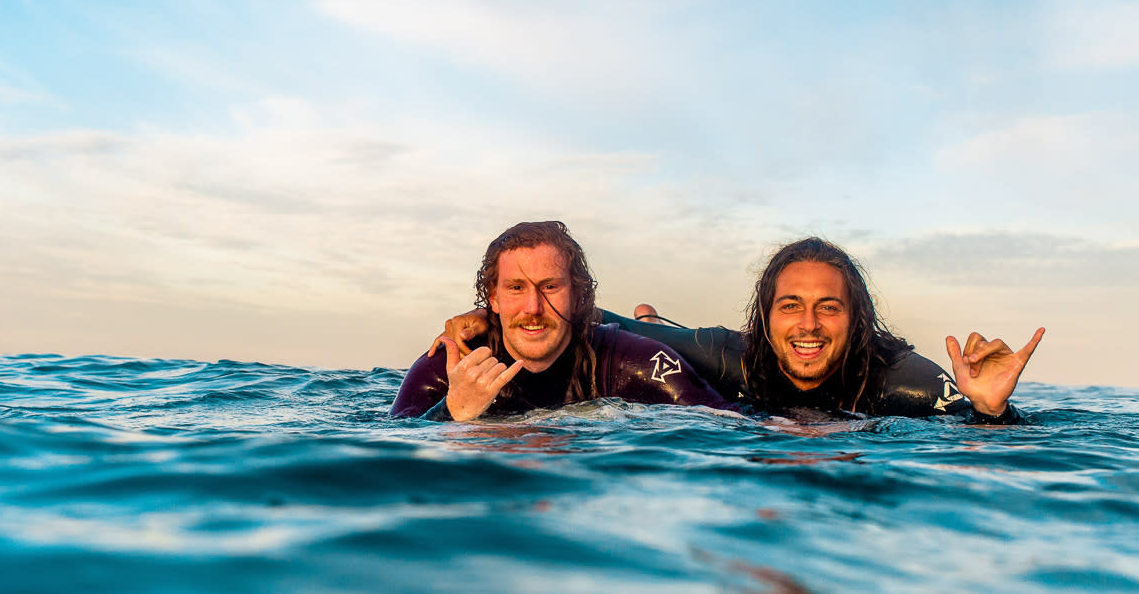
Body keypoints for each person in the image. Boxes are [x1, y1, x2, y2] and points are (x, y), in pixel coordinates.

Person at [438, 237, 1043, 422]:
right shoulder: (735, 359)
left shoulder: (907, 382)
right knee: (655, 331)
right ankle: (660, 316)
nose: (807, 325)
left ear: (856, 320)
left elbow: (982, 449)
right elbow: (596, 320)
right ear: (765, 317)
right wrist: (489, 321)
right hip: (714, 356)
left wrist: (991, 413)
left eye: (828, 308)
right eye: (790, 307)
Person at [392, 221, 738, 421]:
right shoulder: (447, 369)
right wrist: (452, 411)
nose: (533, 307)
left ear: (577, 295)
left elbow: (733, 426)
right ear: (493, 299)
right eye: (516, 288)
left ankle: (648, 320)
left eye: (550, 287)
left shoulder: (635, 362)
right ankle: (646, 316)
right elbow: (393, 462)